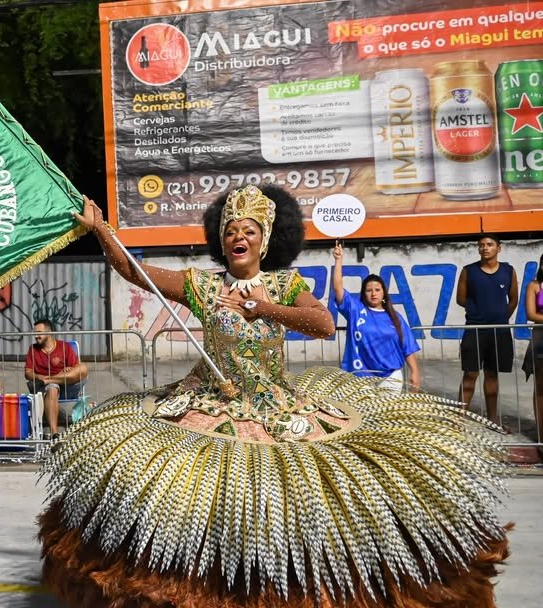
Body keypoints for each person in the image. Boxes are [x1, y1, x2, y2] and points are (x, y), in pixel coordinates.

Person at [38, 185, 507, 608]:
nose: (237, 238)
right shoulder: (202, 286)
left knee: (287, 501)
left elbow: (323, 324)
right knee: (197, 497)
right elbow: (135, 271)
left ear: (265, 240)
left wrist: (261, 307)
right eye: (230, 232)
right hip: (208, 399)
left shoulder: (286, 284)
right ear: (221, 242)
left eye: (248, 230)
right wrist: (102, 231)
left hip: (274, 405)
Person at [331, 242, 421, 390]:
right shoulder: (355, 310)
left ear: (384, 293)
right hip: (359, 377)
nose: (373, 293)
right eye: (369, 290)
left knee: (389, 413)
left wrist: (415, 372)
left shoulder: (395, 317)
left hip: (391, 377)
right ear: (363, 294)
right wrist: (338, 261)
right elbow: (337, 287)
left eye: (377, 290)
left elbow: (407, 347)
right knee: (361, 413)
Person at [457, 234, 518, 428]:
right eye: (481, 245)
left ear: (498, 248)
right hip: (474, 330)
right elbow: (460, 299)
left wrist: (499, 317)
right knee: (470, 374)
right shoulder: (468, 271)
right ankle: (457, 420)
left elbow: (513, 299)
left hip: (498, 332)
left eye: (490, 244)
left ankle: (492, 418)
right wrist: (479, 312)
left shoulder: (509, 271)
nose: (485, 248)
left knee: (492, 374)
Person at [24, 319, 87, 439]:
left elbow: (76, 368)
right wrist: (38, 377)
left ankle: (51, 379)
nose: (35, 336)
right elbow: (28, 373)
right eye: (34, 333)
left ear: (49, 333)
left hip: (67, 384)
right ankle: (54, 432)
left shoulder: (64, 347)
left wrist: (69, 368)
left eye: (39, 332)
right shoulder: (33, 349)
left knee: (83, 368)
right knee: (52, 387)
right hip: (44, 386)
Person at [523, 253, 543, 442]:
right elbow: (530, 313)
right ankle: (541, 435)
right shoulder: (535, 286)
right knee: (541, 388)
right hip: (541, 339)